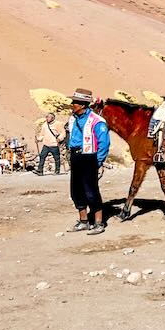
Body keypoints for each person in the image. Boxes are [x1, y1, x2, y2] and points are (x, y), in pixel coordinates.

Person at [66, 88, 110, 235]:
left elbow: (104, 143)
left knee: (91, 191)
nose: (72, 104)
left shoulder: (97, 121)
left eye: (75, 102)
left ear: (83, 104)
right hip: (76, 156)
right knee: (76, 190)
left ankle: (99, 222)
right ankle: (83, 221)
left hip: (89, 157)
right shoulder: (72, 119)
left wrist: (97, 162)